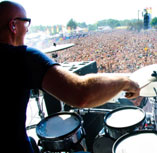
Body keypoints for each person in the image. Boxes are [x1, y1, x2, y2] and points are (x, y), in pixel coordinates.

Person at [0, 1, 140, 153]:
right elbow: (82, 93)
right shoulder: (20, 57)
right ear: (13, 25)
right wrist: (125, 81)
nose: (27, 30)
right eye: (26, 23)